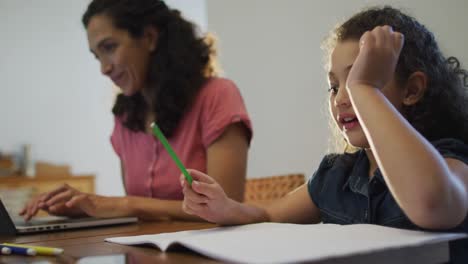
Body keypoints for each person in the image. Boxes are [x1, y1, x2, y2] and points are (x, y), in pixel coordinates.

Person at [181, 6, 468, 263]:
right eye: (334, 86)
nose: (342, 97)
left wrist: (364, 89)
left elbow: (433, 205)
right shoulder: (336, 174)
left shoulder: (450, 160)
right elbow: (269, 216)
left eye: (360, 76)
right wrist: (225, 208)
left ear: (412, 90)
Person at [19, 0, 252, 221]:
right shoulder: (125, 117)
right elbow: (144, 214)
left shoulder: (217, 96)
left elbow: (227, 206)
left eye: (109, 47)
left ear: (149, 37)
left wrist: (121, 204)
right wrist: (81, 206)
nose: (104, 68)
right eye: (96, 56)